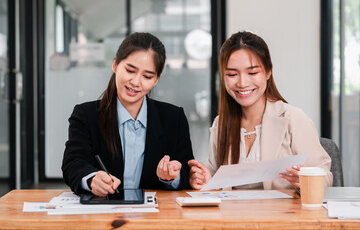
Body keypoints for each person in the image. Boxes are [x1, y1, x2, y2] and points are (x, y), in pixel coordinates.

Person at [188, 31, 333, 190]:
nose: (242, 83)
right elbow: (216, 181)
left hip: (284, 214)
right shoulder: (220, 124)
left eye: (252, 73)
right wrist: (205, 181)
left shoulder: (292, 118)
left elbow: (325, 176)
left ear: (268, 72)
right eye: (232, 74)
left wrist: (307, 180)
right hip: (234, 214)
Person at [62, 32, 194, 196]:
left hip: (156, 216)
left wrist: (171, 178)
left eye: (147, 76)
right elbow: (73, 163)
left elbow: (187, 170)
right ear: (115, 65)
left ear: (156, 80)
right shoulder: (86, 115)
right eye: (130, 70)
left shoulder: (174, 118)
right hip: (103, 215)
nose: (136, 82)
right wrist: (91, 179)